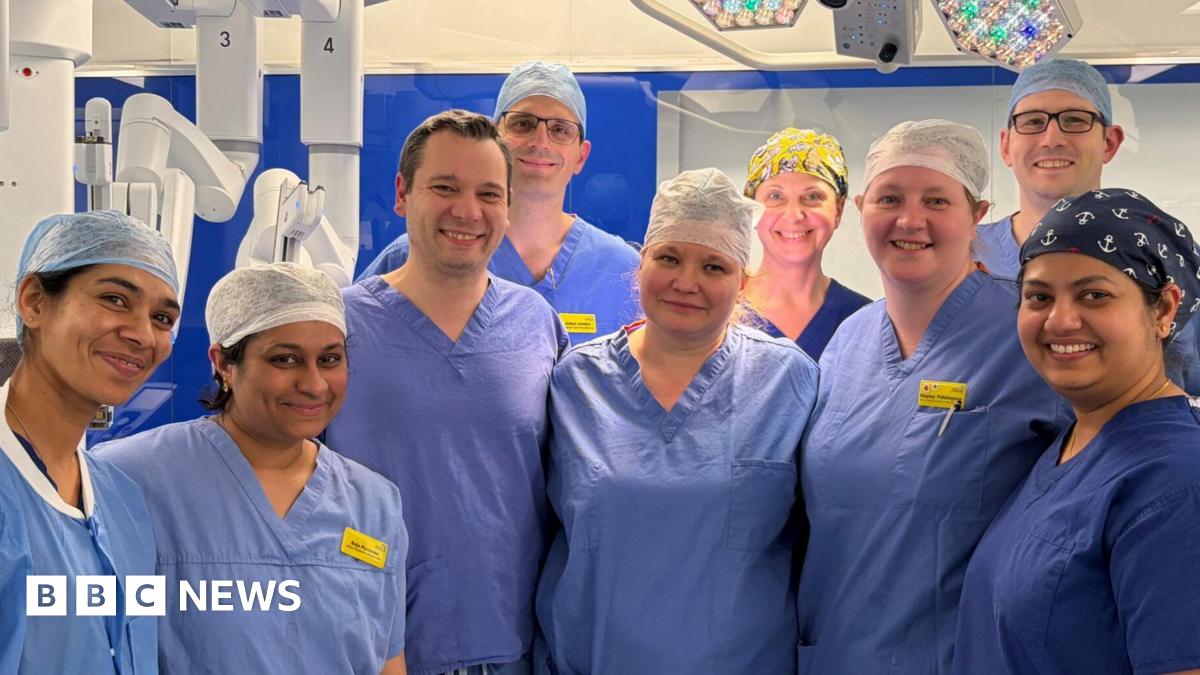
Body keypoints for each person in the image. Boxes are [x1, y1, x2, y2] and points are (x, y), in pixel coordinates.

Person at [796, 120, 1070, 674]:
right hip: (836, 651)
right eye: (889, 198)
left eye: (937, 200)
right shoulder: (845, 342)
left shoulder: (1031, 332)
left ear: (978, 214)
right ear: (860, 210)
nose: (910, 220)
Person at [535, 168, 818, 674]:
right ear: (640, 264)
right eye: (669, 258)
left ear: (743, 282)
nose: (686, 282)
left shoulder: (787, 380)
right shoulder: (576, 382)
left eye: (714, 267)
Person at [326, 109, 568, 675]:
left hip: (511, 640)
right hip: (369, 644)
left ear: (507, 208)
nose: (468, 211)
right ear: (403, 194)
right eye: (445, 187)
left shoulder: (535, 323)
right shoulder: (336, 326)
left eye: (489, 193)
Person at [95, 263, 408, 675]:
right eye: (285, 359)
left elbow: (388, 661)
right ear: (224, 362)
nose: (314, 384)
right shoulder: (127, 478)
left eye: (330, 359)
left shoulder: (374, 502)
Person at [953, 190, 1200, 675]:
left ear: (1163, 309)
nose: (1060, 321)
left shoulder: (1178, 478)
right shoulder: (1070, 447)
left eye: (1094, 295)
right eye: (1039, 297)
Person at [0, 210, 180, 674]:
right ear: (35, 301)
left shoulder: (123, 501)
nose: (142, 334)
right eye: (115, 299)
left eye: (162, 317)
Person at [359, 61, 640, 342]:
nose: (540, 142)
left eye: (560, 129)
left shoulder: (622, 270)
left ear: (581, 156)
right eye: (523, 124)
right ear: (496, 140)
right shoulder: (419, 251)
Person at [976, 58, 1124, 280]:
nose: (1051, 140)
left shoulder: (1162, 258)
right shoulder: (961, 254)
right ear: (1006, 147)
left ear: (1109, 143)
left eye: (1075, 120)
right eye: (1032, 122)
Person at [741, 128, 871, 359]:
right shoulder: (719, 309)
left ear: (838, 210)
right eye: (775, 196)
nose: (793, 215)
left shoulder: (864, 321)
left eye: (812, 197)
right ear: (752, 208)